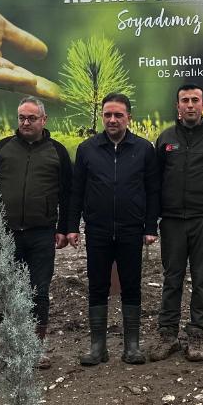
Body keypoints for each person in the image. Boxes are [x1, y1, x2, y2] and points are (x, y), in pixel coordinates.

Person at [66, 92, 160, 366]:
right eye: (107, 114)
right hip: (98, 230)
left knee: (132, 286)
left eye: (118, 114)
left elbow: (152, 191)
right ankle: (98, 347)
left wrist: (151, 226)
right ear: (102, 117)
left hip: (132, 230)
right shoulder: (87, 149)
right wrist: (72, 226)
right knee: (97, 286)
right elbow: (76, 191)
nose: (112, 119)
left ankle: (132, 346)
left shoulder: (144, 149)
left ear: (129, 117)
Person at [147, 84, 203, 362]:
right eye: (184, 100)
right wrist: (152, 221)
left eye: (194, 100)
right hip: (173, 221)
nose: (190, 105)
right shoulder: (165, 139)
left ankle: (197, 334)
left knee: (202, 280)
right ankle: (168, 335)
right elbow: (154, 183)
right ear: (177, 106)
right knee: (172, 279)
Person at [0, 96, 72, 364]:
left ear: (43, 120)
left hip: (42, 234)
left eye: (32, 118)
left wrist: (64, 228)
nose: (26, 123)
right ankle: (10, 345)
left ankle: (35, 348)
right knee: (8, 289)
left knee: (39, 290)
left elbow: (68, 195)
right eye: (22, 118)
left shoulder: (57, 152)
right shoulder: (2, 148)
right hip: (7, 232)